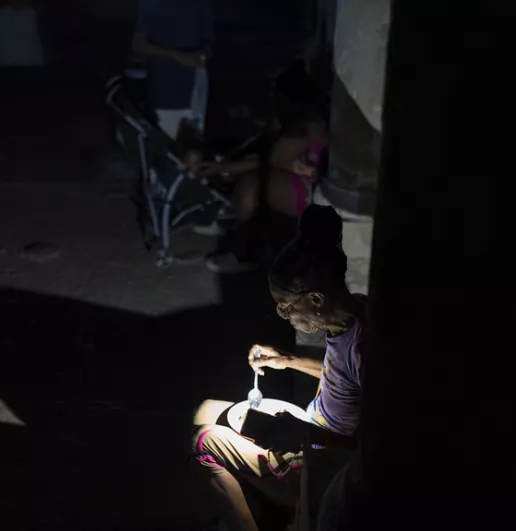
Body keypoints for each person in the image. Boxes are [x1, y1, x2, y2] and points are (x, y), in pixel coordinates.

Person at [191, 205, 364, 531]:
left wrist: (305, 441)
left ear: (315, 300)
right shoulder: (352, 316)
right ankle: (259, 506)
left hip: (321, 459)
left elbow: (367, 447)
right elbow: (340, 377)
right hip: (312, 430)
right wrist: (286, 360)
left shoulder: (363, 348)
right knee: (207, 409)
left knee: (204, 441)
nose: (284, 316)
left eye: (287, 306)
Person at [204, 61, 330, 273]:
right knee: (255, 180)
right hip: (310, 185)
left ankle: (245, 253)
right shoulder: (311, 118)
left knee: (251, 188)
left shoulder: (308, 125)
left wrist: (222, 168)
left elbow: (267, 161)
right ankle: (264, 245)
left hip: (314, 194)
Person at [132, 0, 214, 140]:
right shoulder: (151, 3)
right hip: (163, 90)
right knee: (167, 143)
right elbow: (138, 44)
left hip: (195, 90)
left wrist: (202, 55)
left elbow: (209, 44)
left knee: (193, 144)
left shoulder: (201, 3)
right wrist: (177, 55)